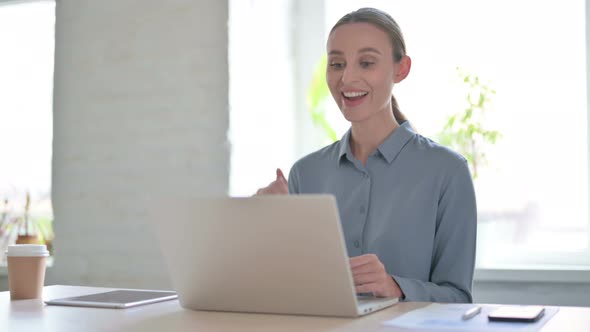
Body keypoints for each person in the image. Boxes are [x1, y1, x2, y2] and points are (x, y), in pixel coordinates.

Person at [256, 7, 476, 303]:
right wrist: (260, 226)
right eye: (336, 63)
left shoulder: (447, 171)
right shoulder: (305, 173)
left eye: (366, 62)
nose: (347, 78)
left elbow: (458, 297)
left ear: (401, 69)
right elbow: (286, 287)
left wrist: (395, 287)